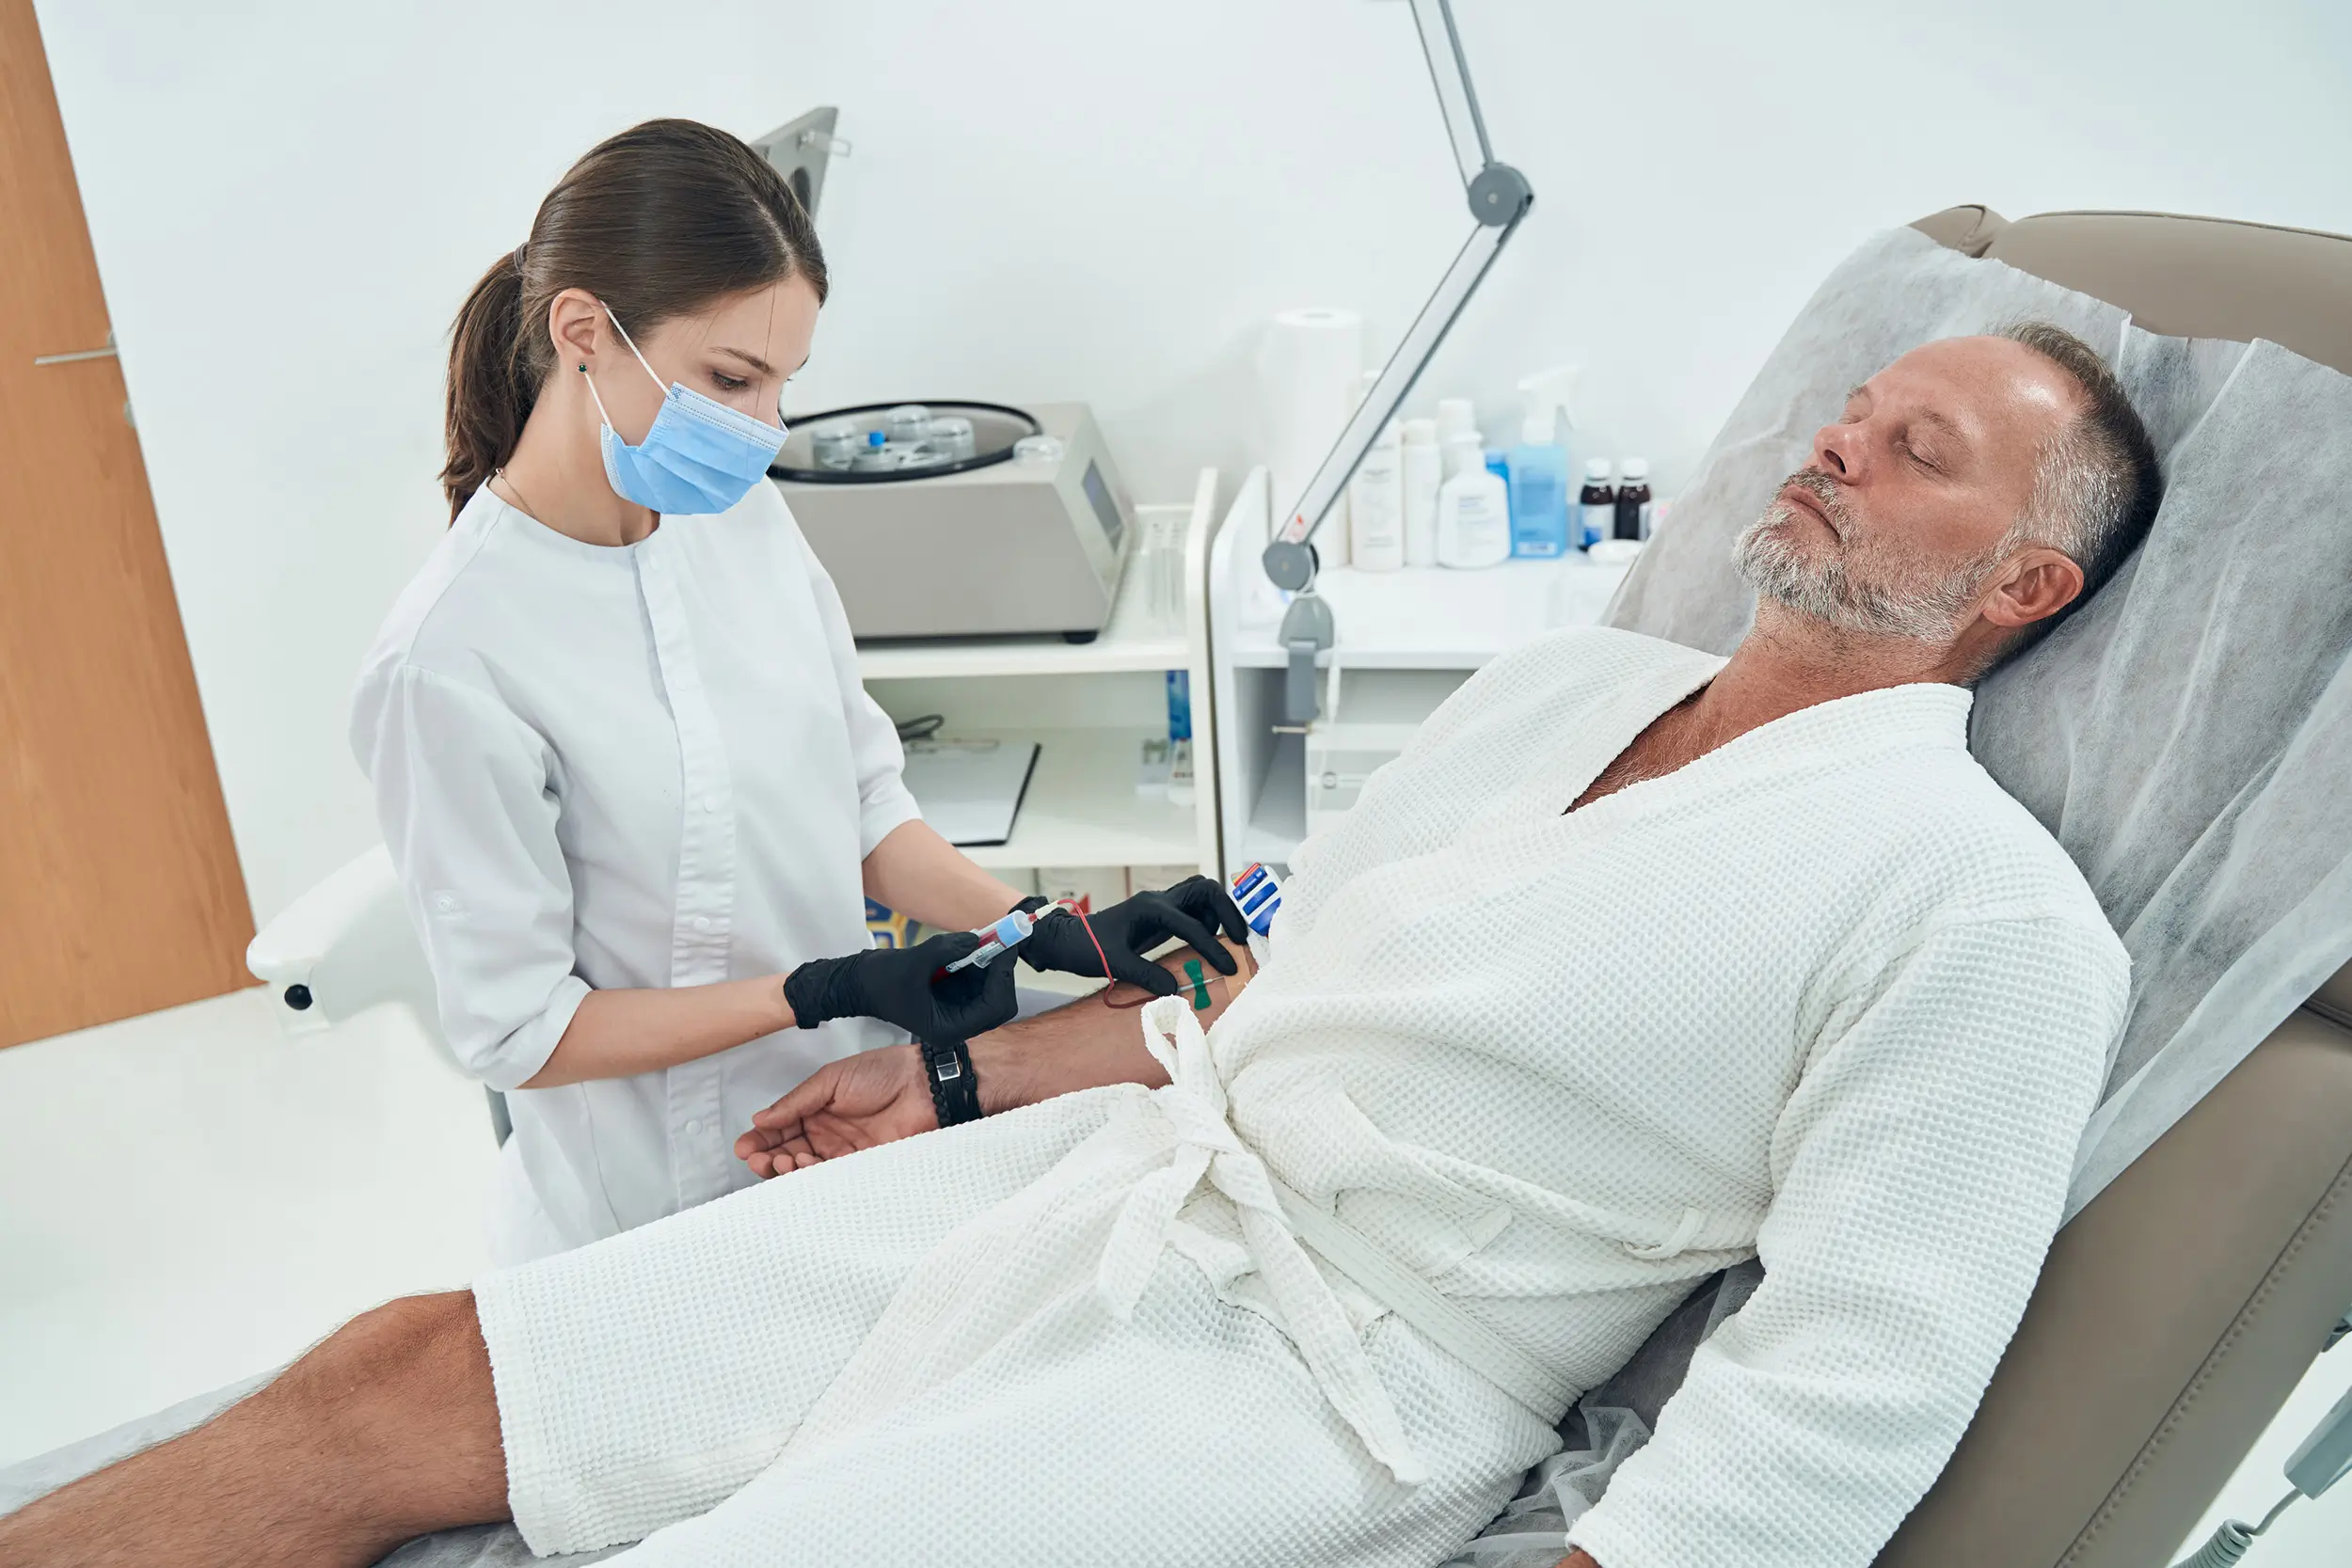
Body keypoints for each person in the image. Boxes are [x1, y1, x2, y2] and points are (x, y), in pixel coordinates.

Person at [0, 321, 2163, 1568]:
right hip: (1113, 1179)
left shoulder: (1977, 916)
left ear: (2026, 587)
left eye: (1920, 452)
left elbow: (1834, 1413)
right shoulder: (1557, 693)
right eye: (1854, 409)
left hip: (1319, 1363)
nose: (1838, 446)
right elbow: (1282, 958)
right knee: (402, 1366)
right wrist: (966, 1077)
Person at [346, 118, 1243, 1264]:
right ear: (583, 332)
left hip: (849, 1124)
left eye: (781, 382)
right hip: (648, 1206)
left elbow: (867, 801)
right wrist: (814, 987)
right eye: (731, 377)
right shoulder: (448, 658)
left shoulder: (742, 522)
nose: (763, 428)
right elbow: (525, 1030)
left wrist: (1045, 925)